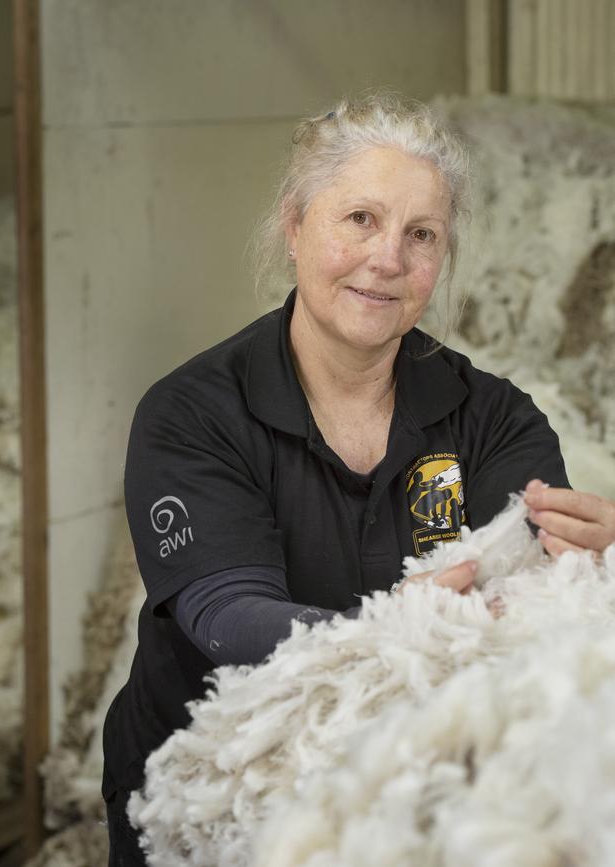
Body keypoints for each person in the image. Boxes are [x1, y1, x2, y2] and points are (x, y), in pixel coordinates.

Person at [102, 93, 615, 864]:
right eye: (360, 220)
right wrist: (388, 632)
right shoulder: (193, 412)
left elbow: (527, 615)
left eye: (421, 235)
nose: (389, 260)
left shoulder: (493, 418)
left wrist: (597, 565)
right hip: (217, 799)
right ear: (295, 225)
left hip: (408, 802)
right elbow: (228, 616)